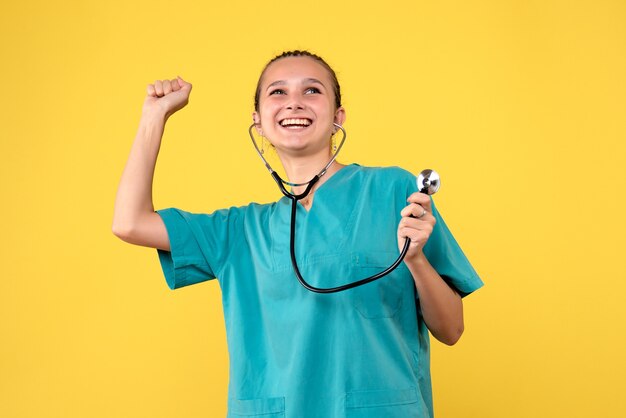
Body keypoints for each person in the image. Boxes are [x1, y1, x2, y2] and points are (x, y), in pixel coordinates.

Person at [112, 50, 483, 418]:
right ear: (258, 122)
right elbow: (129, 223)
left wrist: (416, 258)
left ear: (338, 117)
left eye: (311, 91)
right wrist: (153, 116)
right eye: (277, 92)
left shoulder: (394, 192)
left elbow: (451, 329)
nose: (294, 103)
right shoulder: (238, 232)